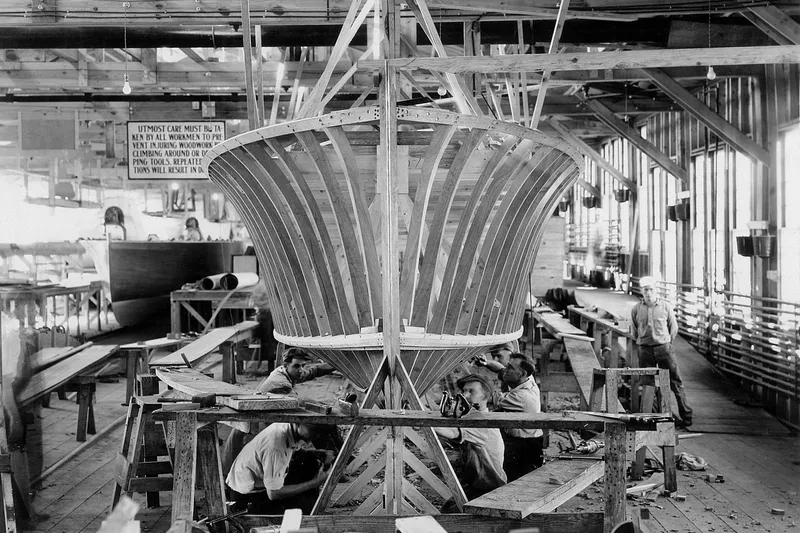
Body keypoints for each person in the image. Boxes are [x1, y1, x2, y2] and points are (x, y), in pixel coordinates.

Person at [221, 347, 338, 474]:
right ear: (286, 364)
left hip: (265, 420)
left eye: (303, 366)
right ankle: (334, 465)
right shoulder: (280, 383)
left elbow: (313, 371)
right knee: (316, 426)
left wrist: (338, 365)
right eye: (297, 366)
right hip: (252, 430)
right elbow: (299, 402)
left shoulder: (287, 371)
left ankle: (337, 460)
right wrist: (320, 405)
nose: (301, 370)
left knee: (319, 425)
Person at [226, 422, 330, 514]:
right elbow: (273, 494)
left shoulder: (285, 427)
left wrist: (315, 453)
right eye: (312, 429)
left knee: (310, 460)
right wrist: (314, 483)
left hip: (252, 481)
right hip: (247, 497)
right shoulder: (276, 447)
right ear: (298, 422)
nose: (317, 434)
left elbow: (290, 450)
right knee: (304, 504)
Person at [631, 276, 693, 428]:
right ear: (642, 291)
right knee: (647, 383)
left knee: (675, 382)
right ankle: (651, 416)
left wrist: (666, 343)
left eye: (651, 289)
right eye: (645, 290)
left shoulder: (665, 307)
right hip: (645, 350)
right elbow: (633, 330)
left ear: (655, 290)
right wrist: (643, 341)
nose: (649, 293)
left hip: (664, 348)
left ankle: (686, 416)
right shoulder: (637, 309)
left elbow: (674, 328)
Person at [434, 374, 506, 501]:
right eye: (464, 391)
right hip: (478, 482)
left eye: (472, 391)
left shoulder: (482, 423)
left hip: (490, 487)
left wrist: (420, 423)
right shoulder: (474, 418)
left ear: (486, 396)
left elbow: (452, 433)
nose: (465, 395)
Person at [477, 352, 544, 481]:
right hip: (516, 438)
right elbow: (500, 369)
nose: (506, 370)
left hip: (524, 445)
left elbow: (486, 397)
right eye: (508, 366)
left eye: (511, 368)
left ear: (522, 374)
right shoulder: (525, 378)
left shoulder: (522, 396)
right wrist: (486, 363)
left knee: (519, 481)